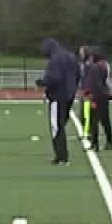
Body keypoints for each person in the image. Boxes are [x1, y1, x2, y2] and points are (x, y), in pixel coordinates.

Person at [36, 37, 80, 165]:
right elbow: (78, 74)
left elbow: (53, 77)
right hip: (70, 95)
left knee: (56, 126)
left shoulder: (55, 59)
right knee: (61, 124)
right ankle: (62, 155)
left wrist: (42, 82)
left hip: (57, 96)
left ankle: (61, 156)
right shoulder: (71, 57)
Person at [84, 52, 112, 152]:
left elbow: (94, 84)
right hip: (104, 95)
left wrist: (91, 98)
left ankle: (94, 144)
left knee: (94, 121)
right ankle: (110, 142)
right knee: (105, 120)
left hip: (97, 96)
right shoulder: (104, 67)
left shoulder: (94, 68)